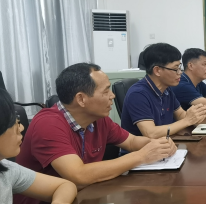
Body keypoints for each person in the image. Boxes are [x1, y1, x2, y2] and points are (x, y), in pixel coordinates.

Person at [16, 63, 176, 196]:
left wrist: (158, 145)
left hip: (88, 196)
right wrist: (142, 156)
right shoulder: (48, 124)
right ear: (81, 99)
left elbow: (132, 141)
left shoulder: (98, 119)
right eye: (106, 91)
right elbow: (79, 175)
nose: (112, 96)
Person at [121, 43, 206, 138]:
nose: (180, 72)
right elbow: (151, 133)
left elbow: (180, 114)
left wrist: (195, 116)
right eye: (175, 69)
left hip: (165, 143)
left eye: (179, 68)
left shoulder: (167, 90)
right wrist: (187, 121)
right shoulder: (138, 94)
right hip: (144, 146)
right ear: (157, 70)